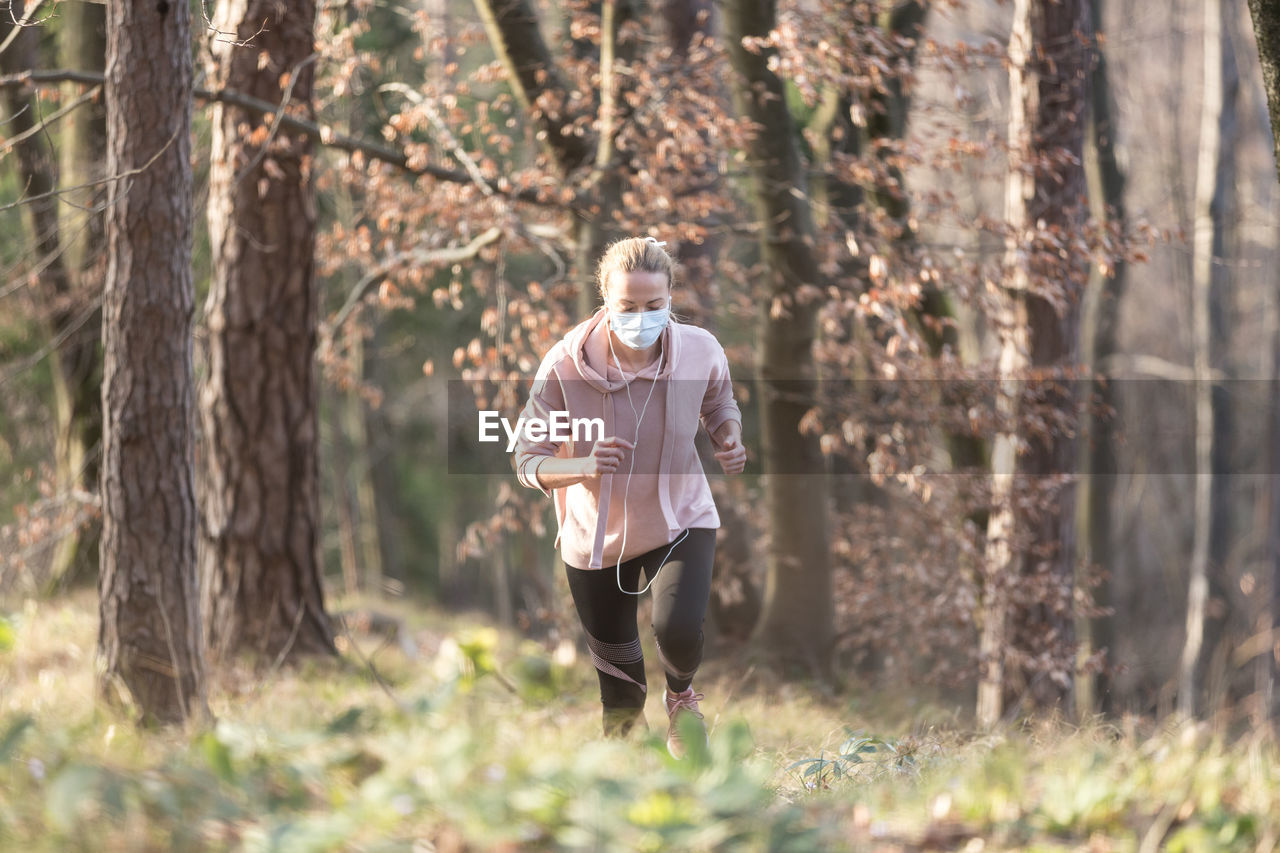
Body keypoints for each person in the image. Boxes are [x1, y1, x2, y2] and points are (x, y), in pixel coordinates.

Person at [512, 236, 746, 758]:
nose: (641, 317)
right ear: (605, 299)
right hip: (595, 541)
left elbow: (719, 399)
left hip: (680, 518)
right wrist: (582, 466)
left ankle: (682, 700)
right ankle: (626, 795)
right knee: (621, 695)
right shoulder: (564, 365)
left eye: (653, 306)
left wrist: (727, 434)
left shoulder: (700, 348)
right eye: (627, 307)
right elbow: (527, 459)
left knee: (679, 629)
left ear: (670, 300)